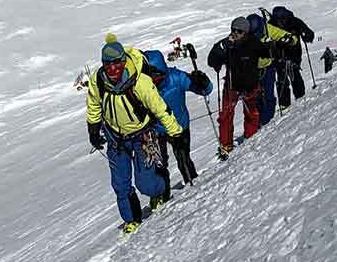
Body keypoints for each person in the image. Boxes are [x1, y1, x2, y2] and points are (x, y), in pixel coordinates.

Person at [86, 35, 184, 235]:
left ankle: (160, 188)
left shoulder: (140, 82)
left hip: (143, 136)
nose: (112, 69)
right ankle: (131, 219)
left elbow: (160, 109)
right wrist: (93, 129)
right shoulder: (98, 80)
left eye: (116, 63)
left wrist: (176, 133)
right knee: (120, 184)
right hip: (115, 139)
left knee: (145, 183)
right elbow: (94, 104)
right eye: (108, 64)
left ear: (123, 61)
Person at [142, 49, 213, 187]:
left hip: (180, 126)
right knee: (159, 164)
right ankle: (163, 194)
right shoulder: (144, 87)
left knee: (183, 159)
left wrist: (203, 82)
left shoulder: (176, 77)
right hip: (156, 129)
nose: (151, 80)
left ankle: (193, 183)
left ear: (161, 72)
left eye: (154, 75)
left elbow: (206, 90)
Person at [207, 16, 267, 159]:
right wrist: (219, 52)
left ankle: (251, 138)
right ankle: (226, 145)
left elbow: (268, 53)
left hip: (250, 86)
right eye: (233, 30)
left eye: (239, 31)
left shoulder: (253, 43)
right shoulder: (226, 44)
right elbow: (212, 61)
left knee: (252, 114)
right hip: (232, 86)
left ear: (246, 32)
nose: (234, 33)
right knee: (226, 117)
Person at [269, 5, 316, 102]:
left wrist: (307, 36)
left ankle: (301, 98)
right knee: (282, 79)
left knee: (294, 75)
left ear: (285, 16)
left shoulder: (295, 22)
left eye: (281, 19)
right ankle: (285, 104)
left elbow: (309, 33)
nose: (280, 22)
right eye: (277, 20)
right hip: (279, 56)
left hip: (294, 55)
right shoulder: (271, 24)